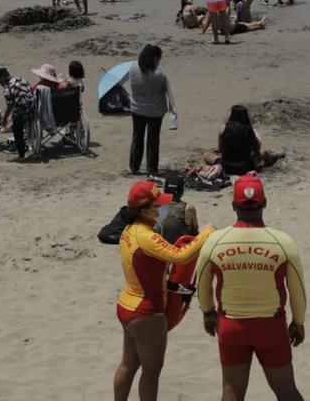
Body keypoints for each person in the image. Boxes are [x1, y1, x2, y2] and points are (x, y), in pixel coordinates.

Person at [195, 173, 306, 401]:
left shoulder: (214, 241)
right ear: (264, 203)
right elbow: (298, 291)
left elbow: (201, 284)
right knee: (286, 391)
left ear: (233, 205)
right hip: (271, 327)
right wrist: (298, 322)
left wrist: (208, 312)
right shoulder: (283, 242)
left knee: (231, 392)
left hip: (230, 325)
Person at [114, 180, 214, 401]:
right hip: (147, 313)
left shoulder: (128, 230)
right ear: (145, 209)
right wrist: (205, 234)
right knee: (151, 373)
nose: (162, 209)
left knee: (127, 365)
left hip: (125, 305)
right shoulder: (147, 237)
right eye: (158, 206)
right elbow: (180, 256)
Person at [129, 45, 175, 175]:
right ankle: (151, 168)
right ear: (155, 58)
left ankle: (134, 166)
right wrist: (173, 112)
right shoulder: (159, 75)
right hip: (155, 111)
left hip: (137, 108)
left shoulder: (132, 68)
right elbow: (167, 93)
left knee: (137, 137)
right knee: (153, 140)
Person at [208, 105, 286, 175]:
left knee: (207, 156)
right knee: (264, 154)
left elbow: (220, 149)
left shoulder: (223, 128)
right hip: (245, 167)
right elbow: (257, 147)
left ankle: (274, 155)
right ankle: (275, 155)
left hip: (227, 167)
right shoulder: (249, 130)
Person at [0, 67, 34, 160]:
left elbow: (9, 107)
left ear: (2, 79)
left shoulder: (7, 89)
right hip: (33, 107)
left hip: (21, 110)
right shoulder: (22, 79)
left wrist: (4, 119)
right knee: (19, 123)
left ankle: (21, 155)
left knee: (17, 131)